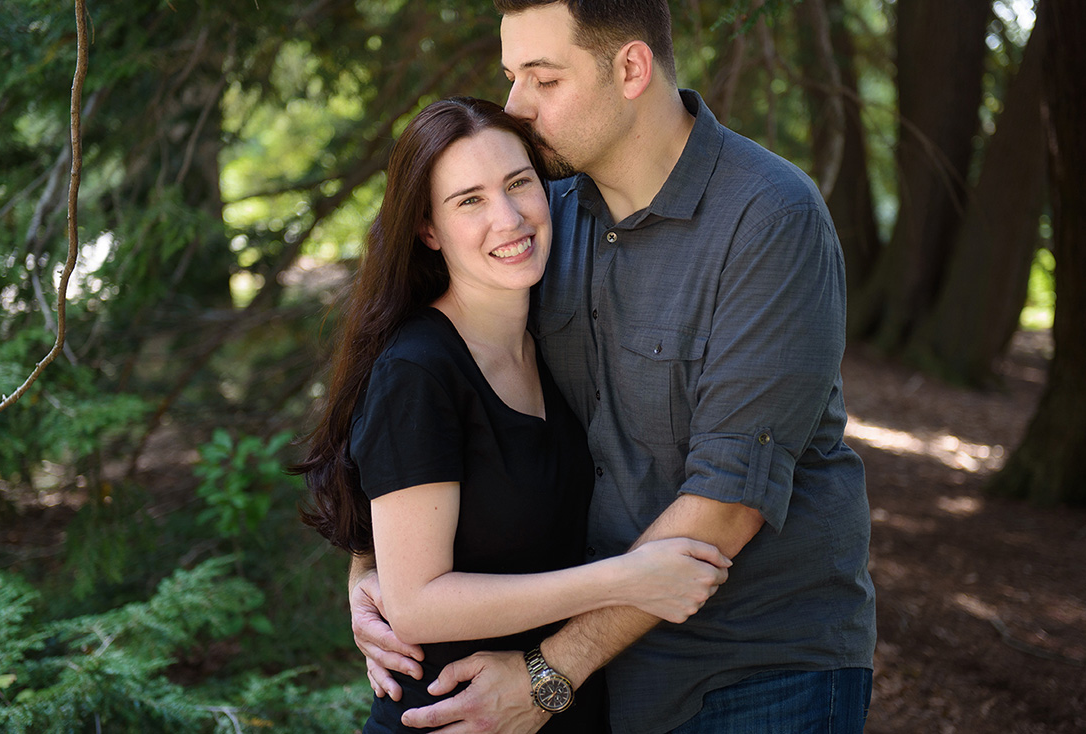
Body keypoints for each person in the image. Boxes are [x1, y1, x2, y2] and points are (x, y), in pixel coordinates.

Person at [351, 1, 878, 733]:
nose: (515, 108)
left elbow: (729, 502)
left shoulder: (768, 218)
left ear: (629, 68)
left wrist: (546, 676)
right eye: (511, 77)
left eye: (542, 79)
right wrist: (377, 576)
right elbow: (425, 408)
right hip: (599, 679)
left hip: (752, 668)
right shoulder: (542, 220)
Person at [294, 96, 731, 733]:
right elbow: (416, 604)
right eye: (469, 200)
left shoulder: (549, 343)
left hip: (552, 711)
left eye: (518, 183)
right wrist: (625, 580)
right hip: (454, 716)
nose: (508, 217)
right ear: (428, 230)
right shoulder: (419, 370)